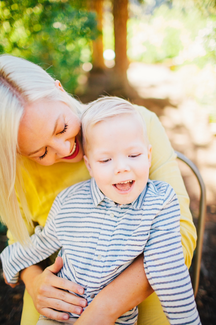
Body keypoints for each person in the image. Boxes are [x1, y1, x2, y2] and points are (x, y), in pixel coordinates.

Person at [0, 54, 197, 325]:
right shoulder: (17, 172)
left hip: (146, 284)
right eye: (41, 152)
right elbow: (20, 242)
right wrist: (34, 283)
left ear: (60, 90)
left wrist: (103, 310)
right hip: (62, 295)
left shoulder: (135, 123)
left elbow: (182, 234)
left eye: (63, 127)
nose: (65, 149)